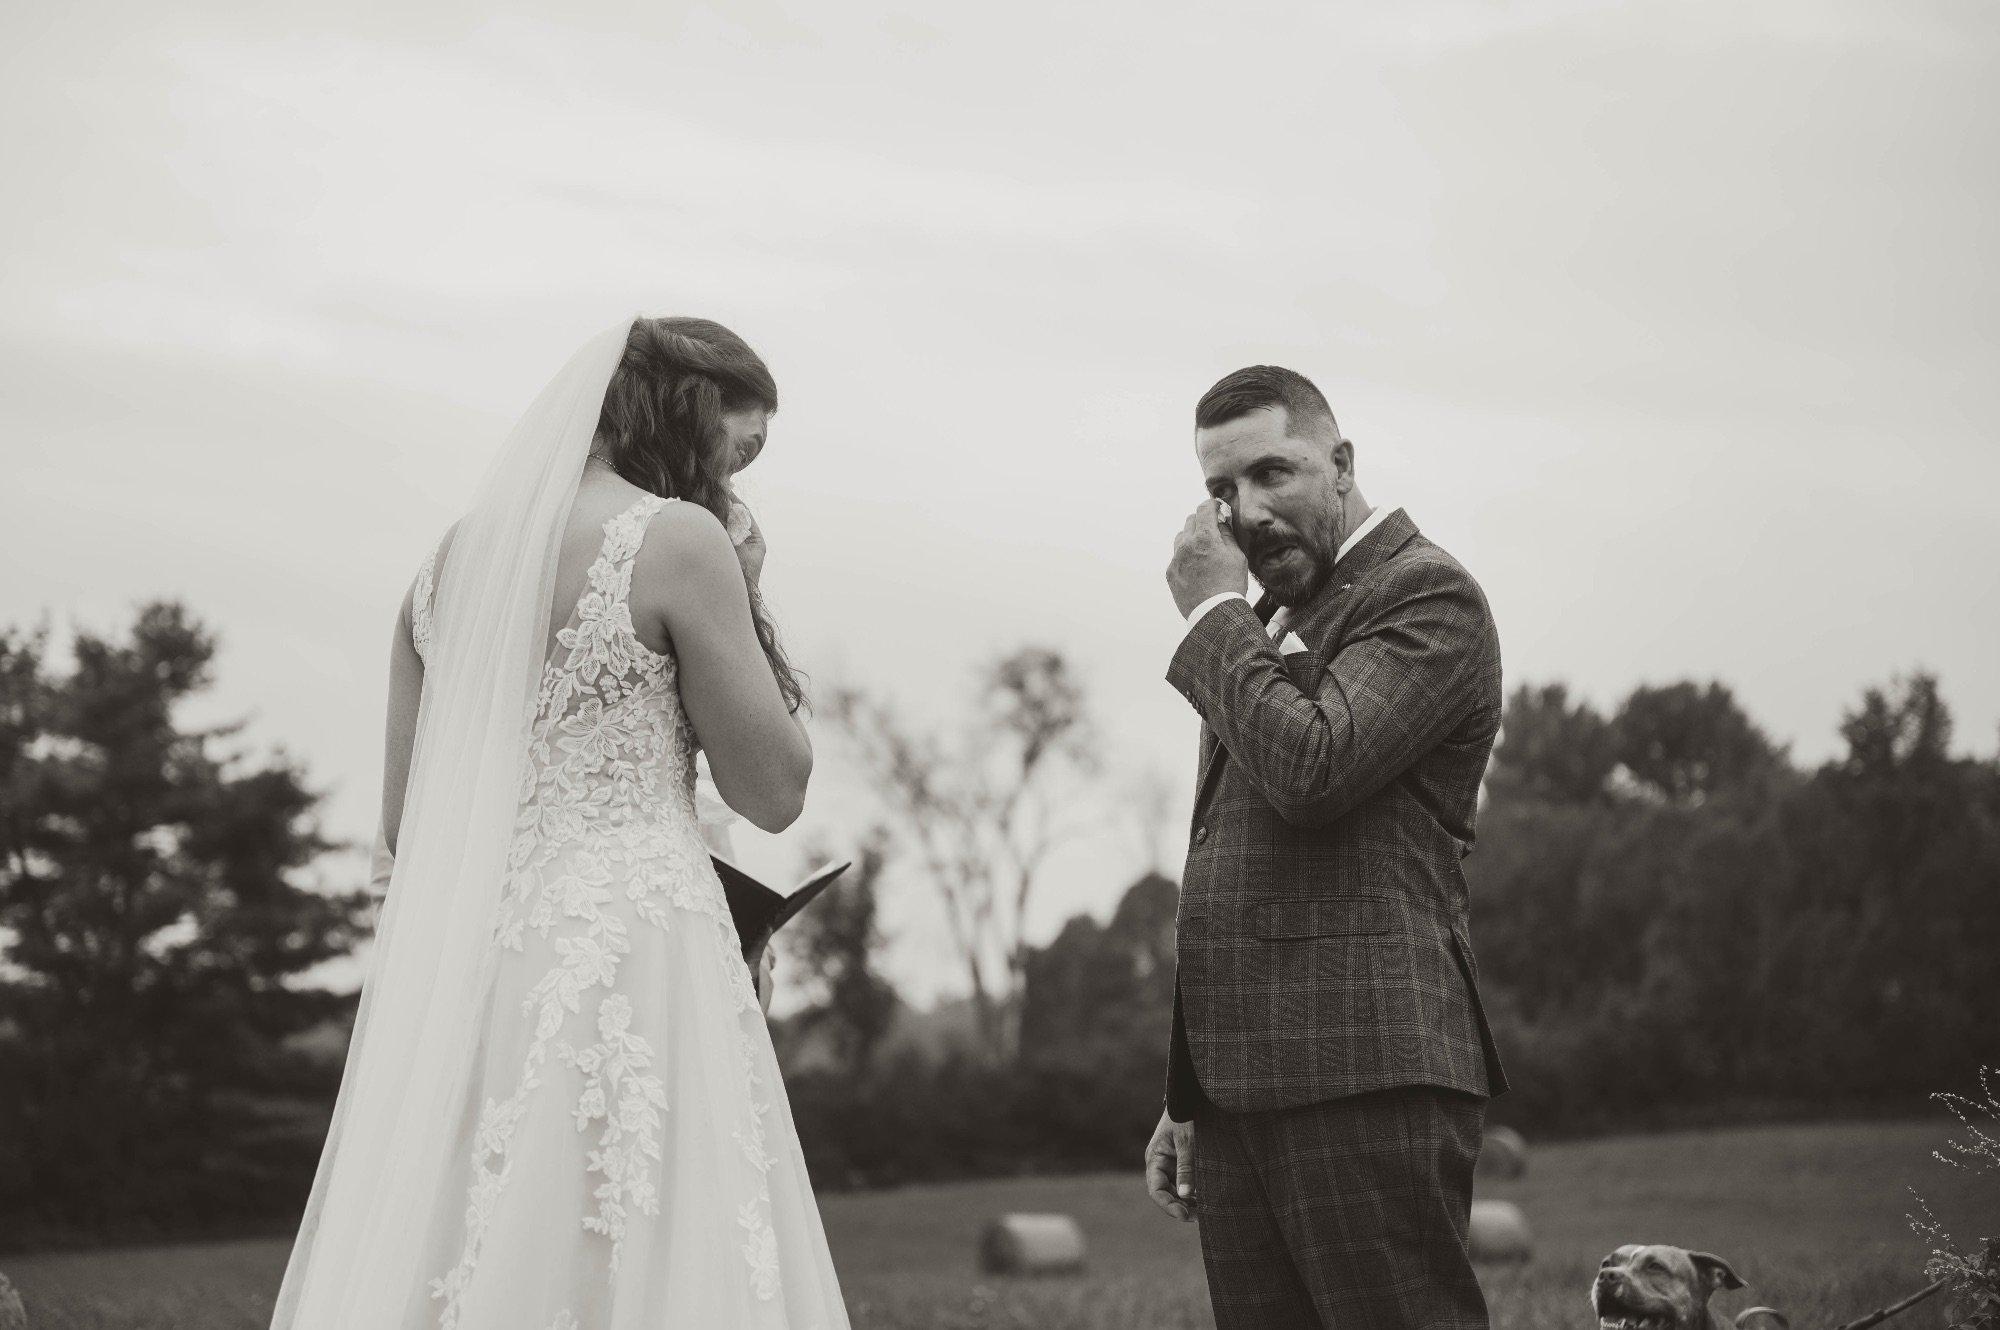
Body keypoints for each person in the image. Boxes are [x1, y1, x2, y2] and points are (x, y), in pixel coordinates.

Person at [272, 316, 849, 1329]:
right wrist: (746, 590)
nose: (734, 480)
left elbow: (406, 831)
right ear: (691, 414)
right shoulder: (679, 540)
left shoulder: (442, 570)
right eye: (740, 449)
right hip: (637, 956)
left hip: (471, 969)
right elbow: (774, 790)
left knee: (475, 1246)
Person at [1145, 365, 1510, 1329]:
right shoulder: (1269, 621)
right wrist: (1189, 1095)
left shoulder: (1425, 594)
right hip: (1240, 1098)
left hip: (1367, 1071)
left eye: (1273, 473)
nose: (1247, 511)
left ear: (1341, 463)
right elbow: (1231, 858)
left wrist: (1211, 614)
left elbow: (1313, 769)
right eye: (1222, 489)